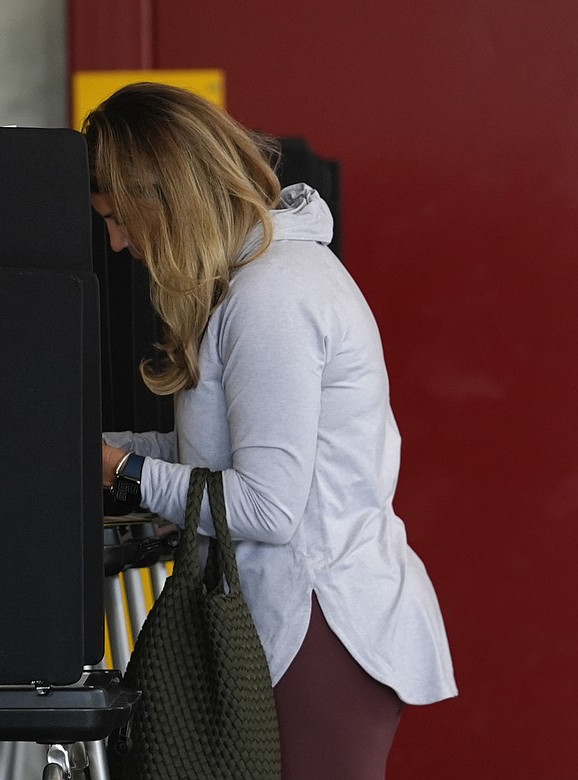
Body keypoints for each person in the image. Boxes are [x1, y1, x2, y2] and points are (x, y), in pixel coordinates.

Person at [85, 82, 457, 779]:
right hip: (298, 619)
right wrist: (94, 452)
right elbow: (214, 459)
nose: (118, 241)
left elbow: (266, 505)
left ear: (170, 195)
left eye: (121, 217)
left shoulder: (274, 297)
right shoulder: (252, 285)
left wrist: (117, 469)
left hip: (321, 623)